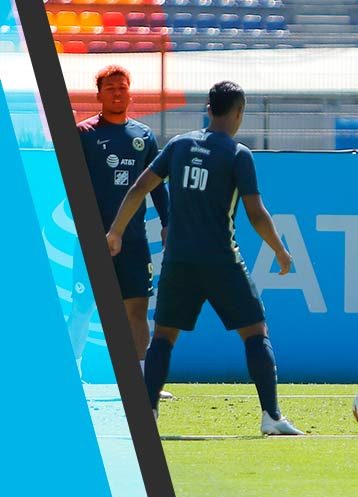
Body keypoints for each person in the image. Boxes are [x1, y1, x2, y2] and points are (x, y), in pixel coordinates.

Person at [106, 81, 302, 435]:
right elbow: (256, 212)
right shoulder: (238, 153)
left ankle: (146, 415)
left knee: (164, 336)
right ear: (239, 112)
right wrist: (280, 250)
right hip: (222, 260)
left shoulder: (179, 145)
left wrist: (116, 231)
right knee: (255, 332)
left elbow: (139, 188)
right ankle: (271, 418)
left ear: (209, 109)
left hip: (179, 260)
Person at [70, 65, 173, 399]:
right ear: (99, 94)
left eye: (122, 87)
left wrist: (168, 222)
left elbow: (156, 185)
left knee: (137, 309)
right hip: (92, 237)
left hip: (133, 240)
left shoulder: (144, 137)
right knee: (83, 306)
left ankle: (141, 380)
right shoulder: (83, 134)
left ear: (131, 93)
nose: (117, 93)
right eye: (110, 88)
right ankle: (75, 372)